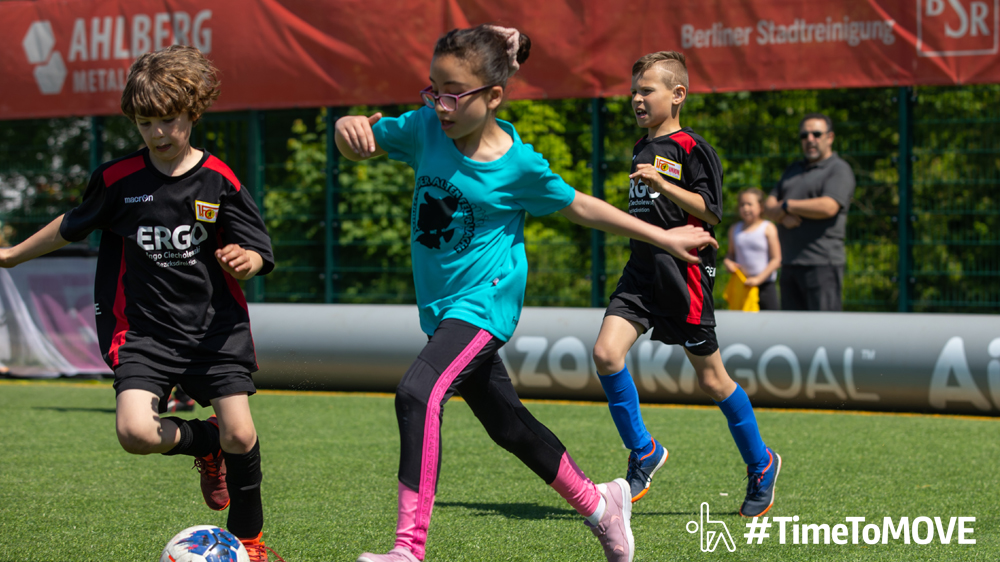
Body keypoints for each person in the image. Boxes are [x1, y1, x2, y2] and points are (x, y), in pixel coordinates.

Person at [335, 25, 717, 562]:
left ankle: (407, 550)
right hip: (441, 311)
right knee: (509, 426)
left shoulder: (518, 165)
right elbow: (362, 143)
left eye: (454, 94)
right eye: (434, 90)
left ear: (494, 96)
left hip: (482, 307)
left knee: (418, 393)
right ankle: (602, 505)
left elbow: (582, 206)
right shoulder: (425, 127)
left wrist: (665, 236)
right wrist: (346, 128)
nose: (440, 105)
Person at [0, 46, 280, 562]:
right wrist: (12, 256)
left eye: (167, 120)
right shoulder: (118, 179)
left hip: (214, 331)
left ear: (193, 112)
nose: (157, 133)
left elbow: (259, 249)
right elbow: (71, 224)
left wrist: (248, 261)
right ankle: (206, 442)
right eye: (145, 123)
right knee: (134, 433)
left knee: (242, 435)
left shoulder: (220, 180)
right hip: (143, 333)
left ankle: (249, 541)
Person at [590, 51, 781, 516]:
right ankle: (644, 451)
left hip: (685, 276)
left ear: (678, 95)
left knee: (713, 380)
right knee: (605, 354)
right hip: (640, 273)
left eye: (646, 90)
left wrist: (663, 183)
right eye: (633, 91)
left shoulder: (693, 147)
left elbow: (711, 212)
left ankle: (761, 463)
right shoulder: (640, 147)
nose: (636, 99)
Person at [764, 113, 856, 311]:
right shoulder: (793, 169)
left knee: (824, 327)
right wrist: (782, 216)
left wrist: (787, 206)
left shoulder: (838, 169)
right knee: (792, 328)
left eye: (816, 134)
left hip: (822, 265)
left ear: (830, 137)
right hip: (789, 263)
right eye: (804, 135)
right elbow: (768, 206)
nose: (810, 139)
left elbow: (829, 206)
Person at [723, 188, 781, 311]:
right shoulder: (734, 229)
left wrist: (758, 279)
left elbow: (776, 259)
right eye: (742, 204)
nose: (745, 208)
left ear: (761, 207)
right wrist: (728, 262)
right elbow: (730, 254)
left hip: (765, 286)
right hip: (743, 286)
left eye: (749, 204)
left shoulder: (768, 228)